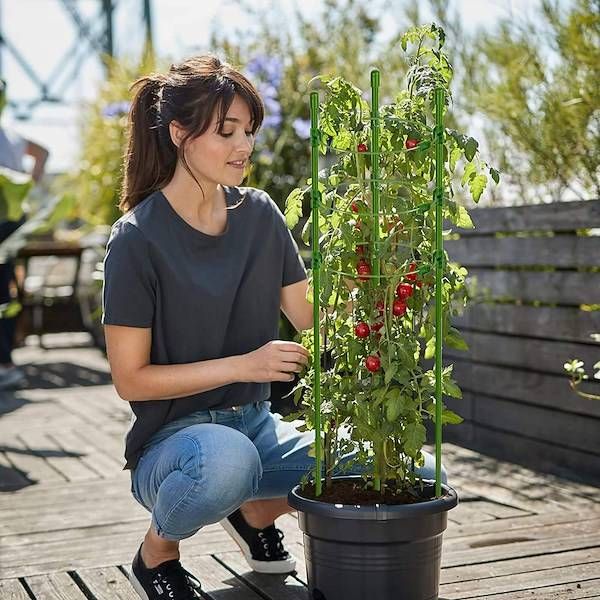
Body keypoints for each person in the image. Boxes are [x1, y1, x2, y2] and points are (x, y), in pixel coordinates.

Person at [102, 54, 447, 600]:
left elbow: (313, 316)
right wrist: (246, 365)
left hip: (258, 429)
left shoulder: (260, 214)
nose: (245, 146)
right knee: (225, 461)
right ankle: (157, 552)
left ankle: (254, 513)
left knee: (417, 470)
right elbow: (131, 380)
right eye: (227, 131)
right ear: (178, 134)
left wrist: (382, 272)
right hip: (175, 447)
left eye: (250, 131)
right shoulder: (136, 240)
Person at [0, 78, 49, 389]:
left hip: (5, 221)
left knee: (4, 292)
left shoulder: (7, 134)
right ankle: (5, 361)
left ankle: (4, 362)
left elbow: (42, 153)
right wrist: (29, 187)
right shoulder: (11, 134)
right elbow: (42, 153)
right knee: (6, 290)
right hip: (13, 219)